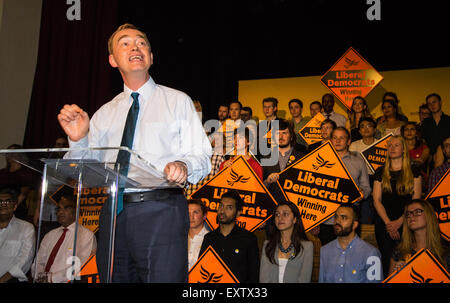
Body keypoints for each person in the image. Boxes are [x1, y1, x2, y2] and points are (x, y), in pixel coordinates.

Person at [57, 23, 212, 283]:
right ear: (112, 60)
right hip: (113, 213)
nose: (135, 47)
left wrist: (183, 164)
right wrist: (79, 139)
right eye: (125, 43)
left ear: (150, 57)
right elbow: (84, 172)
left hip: (161, 209)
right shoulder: (104, 114)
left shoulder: (178, 101)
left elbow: (202, 156)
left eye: (141, 42)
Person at [372, 135, 422, 275]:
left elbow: (416, 201)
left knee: (407, 262)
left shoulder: (414, 171)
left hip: (408, 222)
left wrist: (400, 222)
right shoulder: (380, 171)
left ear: (404, 149)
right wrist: (389, 223)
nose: (392, 148)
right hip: (384, 224)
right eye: (389, 145)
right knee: (388, 262)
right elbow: (376, 200)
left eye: (396, 145)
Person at [318, 127, 371, 245]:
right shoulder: (320, 160)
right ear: (330, 141)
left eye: (342, 138)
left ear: (348, 141)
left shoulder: (358, 161)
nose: (338, 141)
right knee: (328, 255)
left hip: (351, 218)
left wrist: (362, 193)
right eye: (335, 138)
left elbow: (366, 187)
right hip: (327, 219)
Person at [32, 195, 97, 283]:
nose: (60, 212)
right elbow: (39, 261)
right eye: (58, 209)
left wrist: (51, 278)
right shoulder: (50, 235)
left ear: (77, 211)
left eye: (66, 208)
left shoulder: (86, 235)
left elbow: (80, 266)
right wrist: (39, 276)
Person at [199, 190, 260, 283]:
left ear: (238, 212)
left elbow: (254, 275)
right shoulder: (209, 238)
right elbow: (200, 269)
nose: (222, 211)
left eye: (229, 208)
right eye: (221, 206)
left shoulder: (249, 239)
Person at [319, 204, 382, 283]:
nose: (337, 221)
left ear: (355, 224)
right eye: (336, 217)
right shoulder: (324, 251)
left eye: (343, 218)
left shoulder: (370, 253)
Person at [389, 199, 449, 274]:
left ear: (429, 215)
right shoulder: (400, 250)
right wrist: (397, 275)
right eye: (408, 214)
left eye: (417, 212)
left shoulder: (445, 250)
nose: (411, 216)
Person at [260, 201, 313, 283]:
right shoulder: (268, 244)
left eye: (285, 214)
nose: (280, 218)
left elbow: (304, 279)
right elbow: (264, 278)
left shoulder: (307, 246)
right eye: (277, 214)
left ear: (295, 219)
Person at [263, 119, 306, 201]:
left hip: (295, 206)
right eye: (277, 133)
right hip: (274, 205)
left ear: (291, 136)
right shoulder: (266, 159)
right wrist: (267, 181)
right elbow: (260, 189)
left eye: (284, 133)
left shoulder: (302, 158)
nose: (280, 137)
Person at [0, 188, 35, 283]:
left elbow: (25, 260)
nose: (3, 204)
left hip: (11, 280)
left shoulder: (26, 228)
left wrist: (2, 280)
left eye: (8, 201)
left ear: (15, 206)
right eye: (0, 201)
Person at [421, 93, 450, 165]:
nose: (432, 105)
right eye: (429, 103)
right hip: (429, 159)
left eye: (434, 102)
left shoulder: (448, 120)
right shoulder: (425, 123)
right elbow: (424, 142)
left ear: (440, 102)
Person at [401, 122, 430, 191]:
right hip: (401, 175)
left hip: (418, 176)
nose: (409, 132)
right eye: (406, 129)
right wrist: (414, 160)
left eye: (412, 129)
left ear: (416, 132)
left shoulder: (424, 148)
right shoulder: (399, 147)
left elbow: (420, 162)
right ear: (403, 133)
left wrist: (404, 160)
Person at [187, 199, 209, 270]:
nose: (191, 217)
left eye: (195, 212)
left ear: (204, 216)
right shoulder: (178, 237)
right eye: (188, 213)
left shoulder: (211, 239)